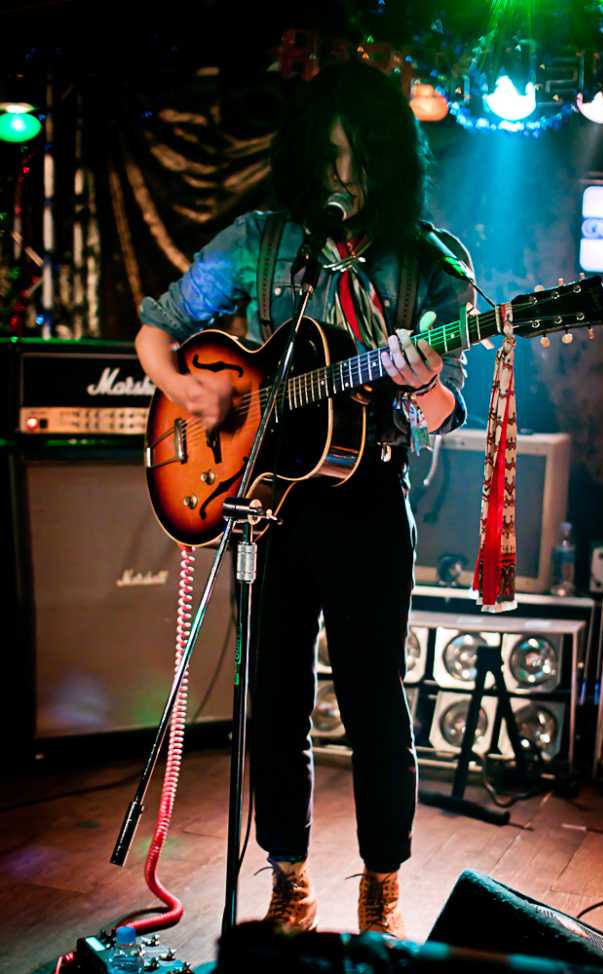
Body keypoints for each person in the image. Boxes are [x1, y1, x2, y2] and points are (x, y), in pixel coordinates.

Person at [135, 61, 470, 938]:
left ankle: (383, 883)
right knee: (273, 704)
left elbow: (442, 413)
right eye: (326, 158)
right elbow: (159, 326)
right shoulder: (261, 239)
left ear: (391, 160)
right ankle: (286, 876)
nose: (343, 178)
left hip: (367, 505)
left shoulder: (429, 262)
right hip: (265, 506)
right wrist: (188, 387)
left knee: (373, 703)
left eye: (358, 158)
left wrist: (425, 380)